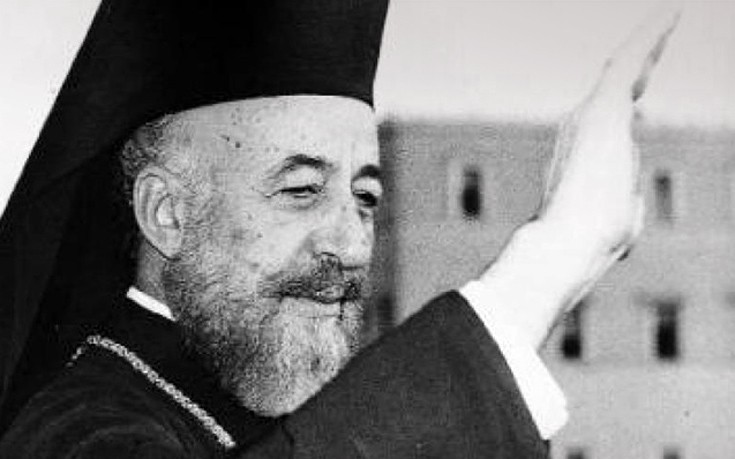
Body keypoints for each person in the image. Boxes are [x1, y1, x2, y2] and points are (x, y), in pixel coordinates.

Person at [0, 0, 678, 457]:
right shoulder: (75, 431)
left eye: (365, 197)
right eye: (300, 190)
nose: (352, 245)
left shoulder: (265, 398)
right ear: (167, 213)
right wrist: (554, 255)